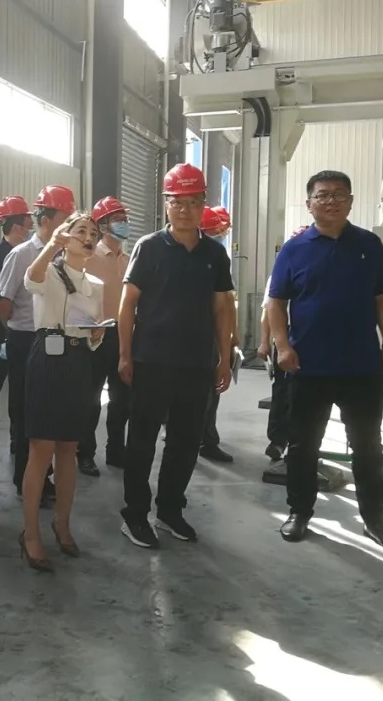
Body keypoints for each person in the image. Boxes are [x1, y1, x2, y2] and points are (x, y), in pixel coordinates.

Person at [268, 170, 383, 553]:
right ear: (309, 203)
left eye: (339, 194)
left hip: (361, 366)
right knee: (303, 446)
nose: (331, 201)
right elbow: (276, 302)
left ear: (351, 201)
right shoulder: (294, 249)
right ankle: (299, 512)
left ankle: (375, 520)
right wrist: (283, 346)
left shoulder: (368, 245)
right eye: (322, 195)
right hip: (307, 366)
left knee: (368, 447)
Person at [117, 163, 233, 549]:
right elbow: (127, 305)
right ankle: (135, 515)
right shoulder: (149, 247)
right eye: (177, 202)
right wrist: (125, 355)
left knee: (185, 442)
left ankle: (169, 510)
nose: (185, 210)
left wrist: (223, 357)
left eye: (193, 202)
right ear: (166, 204)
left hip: (196, 364)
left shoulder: (214, 253)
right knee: (142, 441)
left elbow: (222, 308)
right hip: (151, 362)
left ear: (203, 205)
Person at [19, 212, 105, 572]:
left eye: (93, 233)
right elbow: (31, 280)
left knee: (69, 447)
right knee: (42, 448)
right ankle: (30, 533)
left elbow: (92, 328)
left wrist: (96, 333)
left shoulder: (96, 284)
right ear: (66, 237)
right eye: (80, 230)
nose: (88, 237)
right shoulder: (50, 271)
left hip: (78, 361)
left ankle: (62, 523)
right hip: (48, 356)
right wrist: (51, 246)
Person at [0, 185, 75, 498]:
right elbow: (3, 303)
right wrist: (13, 334)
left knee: (49, 412)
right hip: (25, 341)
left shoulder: (67, 256)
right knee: (25, 413)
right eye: (65, 218)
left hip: (57, 340)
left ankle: (44, 477)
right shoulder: (21, 255)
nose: (70, 225)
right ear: (45, 220)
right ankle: (26, 479)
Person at [0, 196, 33, 464]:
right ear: (16, 225)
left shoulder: (32, 254)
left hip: (22, 337)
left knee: (19, 393)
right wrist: (6, 331)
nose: (31, 226)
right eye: (28, 221)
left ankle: (17, 440)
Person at [83, 196, 131, 472]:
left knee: (122, 399)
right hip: (96, 335)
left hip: (123, 335)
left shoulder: (129, 259)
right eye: (117, 220)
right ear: (102, 226)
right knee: (90, 400)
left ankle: (116, 450)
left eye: (124, 219)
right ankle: (85, 452)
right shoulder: (89, 258)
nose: (123, 224)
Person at [259, 225, 309, 463]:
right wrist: (265, 343)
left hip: (313, 338)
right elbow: (269, 310)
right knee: (282, 392)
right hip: (286, 337)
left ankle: (303, 445)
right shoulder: (280, 272)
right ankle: (277, 441)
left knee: (311, 394)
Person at [197, 206, 236, 464]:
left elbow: (227, 302)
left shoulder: (218, 256)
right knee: (202, 394)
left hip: (214, 334)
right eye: (216, 231)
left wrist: (232, 336)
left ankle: (206, 439)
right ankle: (202, 439)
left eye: (223, 231)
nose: (221, 236)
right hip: (199, 335)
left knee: (212, 393)